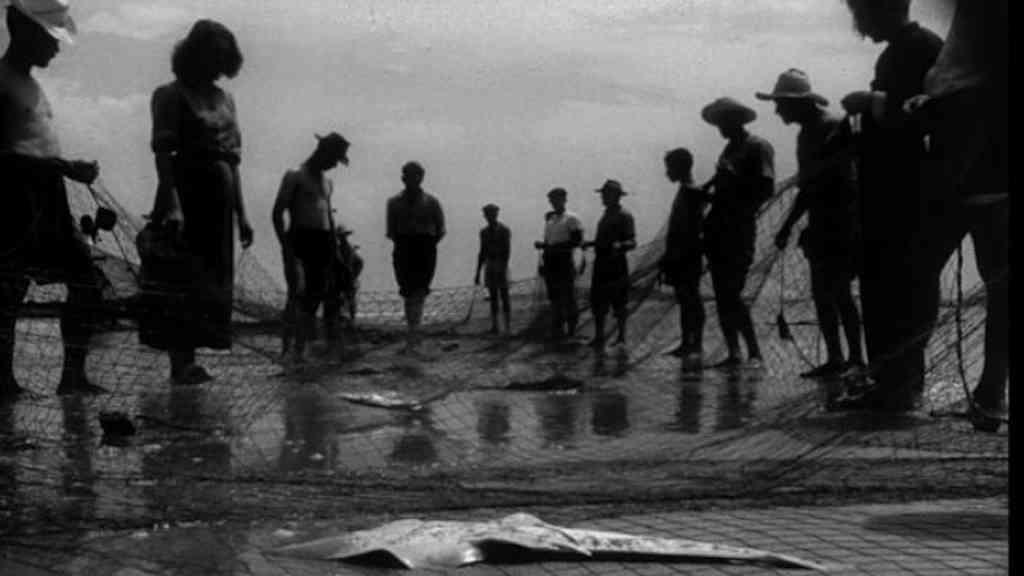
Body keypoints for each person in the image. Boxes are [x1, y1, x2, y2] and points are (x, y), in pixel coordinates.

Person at [834, 0, 942, 412]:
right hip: (884, 191)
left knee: (903, 288)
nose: (858, 25)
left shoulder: (923, 47)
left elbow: (932, 115)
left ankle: (900, 387)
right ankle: (891, 382)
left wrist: (872, 103)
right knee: (881, 288)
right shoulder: (898, 50)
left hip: (907, 193)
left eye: (861, 15)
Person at [904, 0, 1007, 429]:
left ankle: (987, 394)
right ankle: (985, 394)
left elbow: (987, 87)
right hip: (973, 166)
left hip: (981, 176)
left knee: (996, 285)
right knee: (994, 286)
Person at [1, 0, 107, 400]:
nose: (56, 49)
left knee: (86, 281)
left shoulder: (35, 86)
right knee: (8, 293)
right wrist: (64, 166)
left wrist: (64, 170)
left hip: (50, 198)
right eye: (51, 39)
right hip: (13, 201)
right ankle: (5, 383)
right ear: (24, 31)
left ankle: (73, 376)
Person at [147, 19, 253, 385]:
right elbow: (163, 153)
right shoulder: (169, 94)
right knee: (182, 278)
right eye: (212, 57)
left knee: (211, 279)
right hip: (185, 191)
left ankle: (192, 358)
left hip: (220, 200)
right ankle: (181, 362)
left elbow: (233, 160)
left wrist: (242, 214)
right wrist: (173, 206)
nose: (217, 67)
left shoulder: (226, 99)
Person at [759, 69, 866, 379]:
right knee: (822, 294)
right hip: (819, 222)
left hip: (842, 221)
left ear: (798, 103)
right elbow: (808, 185)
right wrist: (788, 225)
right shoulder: (805, 134)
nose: (778, 110)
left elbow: (848, 176)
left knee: (840, 292)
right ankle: (835, 358)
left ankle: (856, 358)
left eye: (781, 104)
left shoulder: (833, 126)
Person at [700, 97, 774, 369]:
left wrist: (738, 197)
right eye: (718, 123)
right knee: (721, 294)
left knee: (733, 292)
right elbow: (718, 186)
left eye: (725, 122)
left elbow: (766, 188)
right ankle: (733, 352)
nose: (721, 127)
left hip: (739, 228)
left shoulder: (757, 146)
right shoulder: (727, 150)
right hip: (717, 227)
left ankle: (754, 352)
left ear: (738, 121)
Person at [272, 132, 350, 362]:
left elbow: (329, 216)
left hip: (324, 242)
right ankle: (286, 349)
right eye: (334, 159)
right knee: (296, 294)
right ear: (322, 152)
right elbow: (277, 213)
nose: (335, 165)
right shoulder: (295, 176)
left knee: (315, 297)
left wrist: (337, 254)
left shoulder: (327, 183)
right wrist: (286, 249)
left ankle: (300, 349)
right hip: (299, 239)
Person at [386, 161, 445, 353]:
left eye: (415, 175)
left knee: (420, 291)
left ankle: (414, 335)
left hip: (426, 247)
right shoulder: (394, 202)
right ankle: (413, 334)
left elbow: (440, 229)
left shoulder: (432, 202)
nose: (411, 179)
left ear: (421, 177)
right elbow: (391, 231)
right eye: (408, 175)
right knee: (407, 291)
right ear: (403, 177)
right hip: (403, 247)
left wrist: (427, 244)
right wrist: (405, 242)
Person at [660, 148, 706, 365]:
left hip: (688, 254)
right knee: (684, 299)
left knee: (691, 299)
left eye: (669, 167)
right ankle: (687, 342)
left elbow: (692, 228)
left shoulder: (691, 191)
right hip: (679, 254)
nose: (667, 172)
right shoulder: (685, 190)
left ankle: (696, 344)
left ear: (680, 166)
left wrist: (676, 254)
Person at [582, 180, 636, 350]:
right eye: (603, 194)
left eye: (606, 194)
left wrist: (620, 245)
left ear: (616, 196)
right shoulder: (604, 215)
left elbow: (632, 241)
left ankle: (621, 337)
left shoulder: (625, 215)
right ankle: (599, 337)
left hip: (617, 264)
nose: (603, 197)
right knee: (598, 302)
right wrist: (589, 244)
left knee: (619, 303)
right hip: (601, 263)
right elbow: (601, 241)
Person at [534, 188, 583, 340]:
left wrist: (550, 247)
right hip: (550, 262)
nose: (554, 203)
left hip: (564, 261)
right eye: (551, 200)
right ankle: (558, 329)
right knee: (554, 297)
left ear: (564, 199)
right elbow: (548, 242)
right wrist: (543, 252)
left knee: (568, 296)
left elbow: (576, 241)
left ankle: (572, 331)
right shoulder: (551, 220)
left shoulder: (572, 218)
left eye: (556, 199)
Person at [474, 204, 511, 334]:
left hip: (501, 264)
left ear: (496, 214)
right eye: (488, 214)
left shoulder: (505, 230)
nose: (490, 217)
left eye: (492, 214)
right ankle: (495, 326)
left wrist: (503, 267)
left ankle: (507, 326)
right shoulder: (483, 232)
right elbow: (482, 252)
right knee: (493, 297)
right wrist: (478, 272)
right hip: (489, 264)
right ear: (485, 216)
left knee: (505, 295)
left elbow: (507, 251)